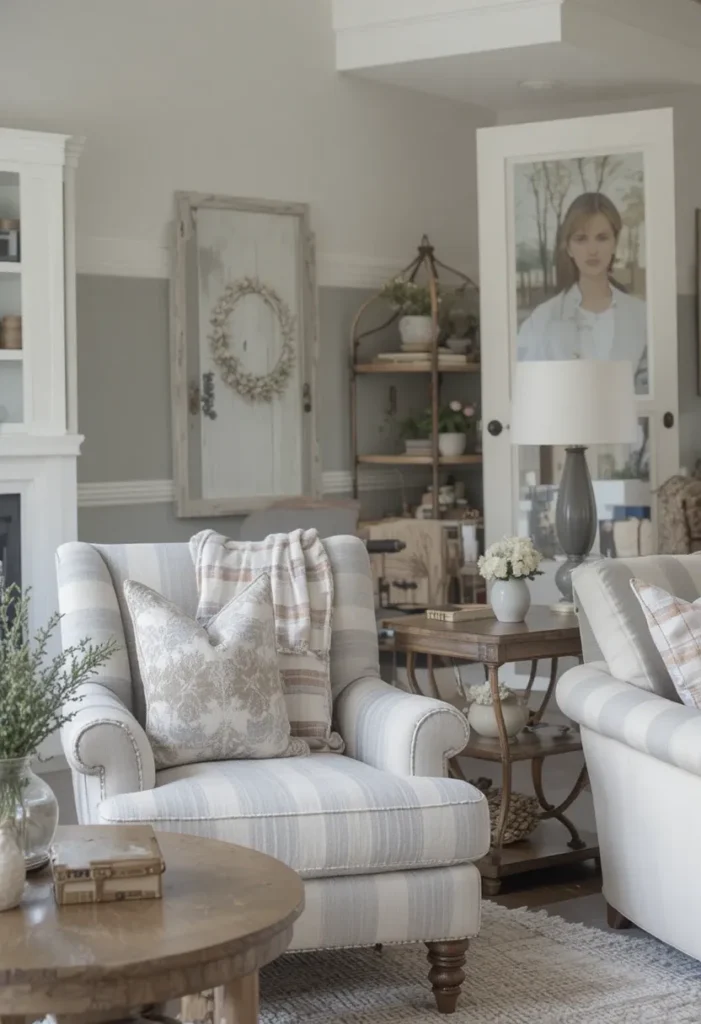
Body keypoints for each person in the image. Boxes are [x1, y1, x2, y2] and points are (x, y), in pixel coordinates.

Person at [517, 192, 647, 393]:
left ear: (614, 242)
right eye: (581, 239)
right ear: (568, 247)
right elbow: (527, 392)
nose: (592, 250)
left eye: (602, 238)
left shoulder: (641, 316)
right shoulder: (542, 320)